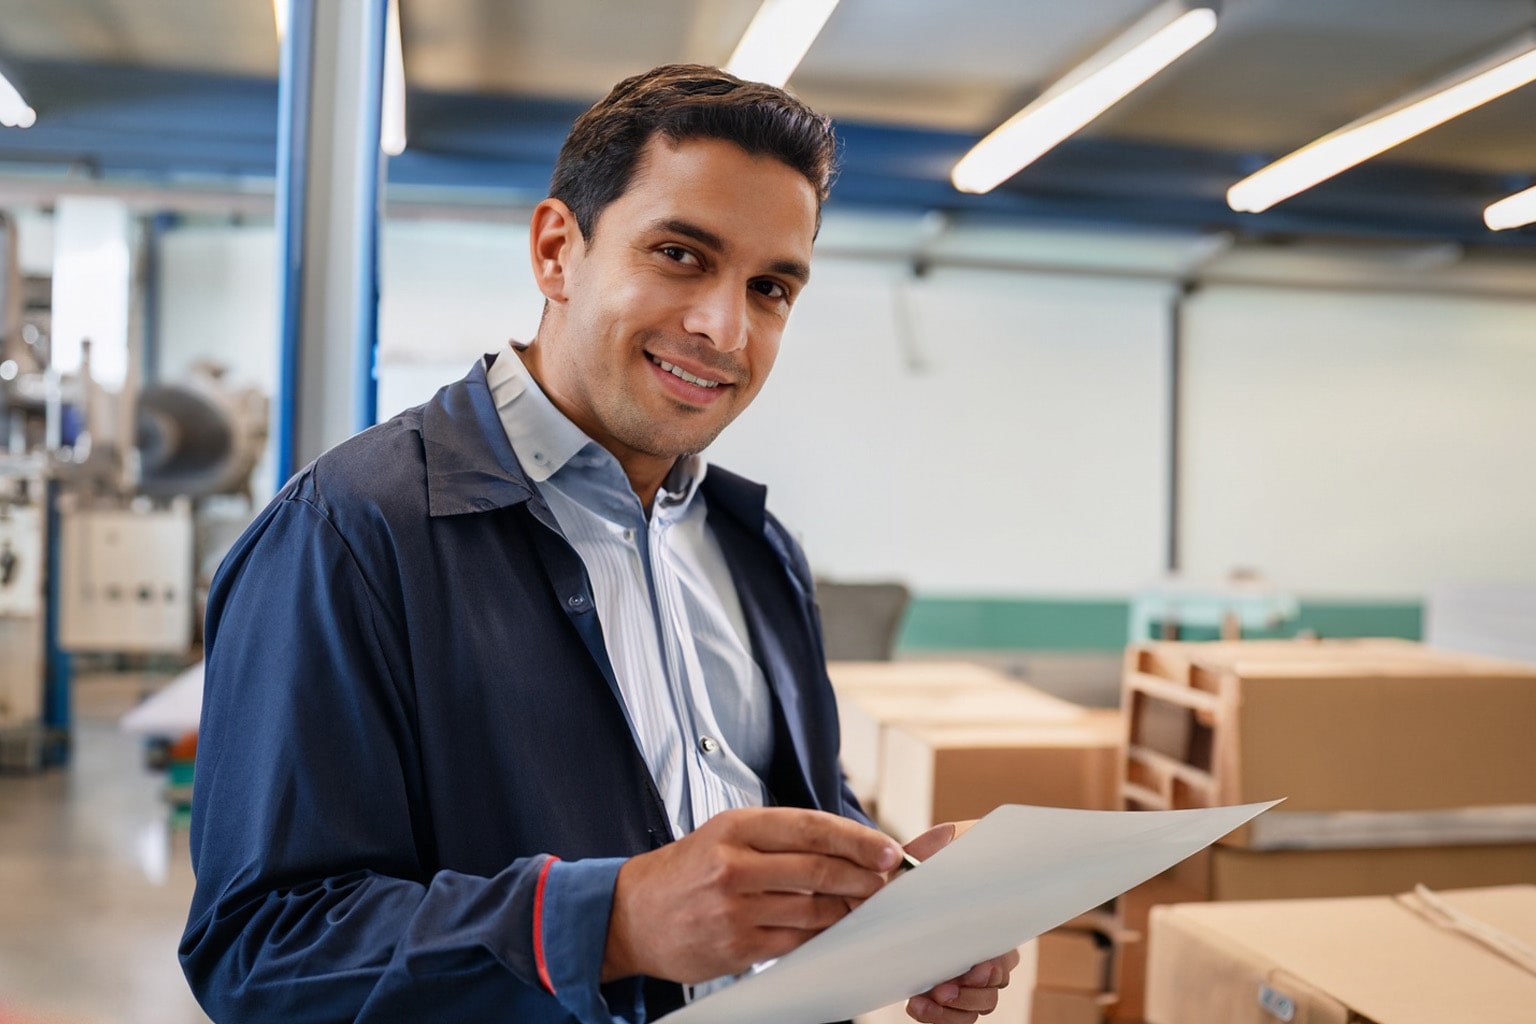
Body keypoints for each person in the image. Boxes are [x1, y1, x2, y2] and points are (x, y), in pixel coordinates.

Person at [180, 64, 1019, 1024]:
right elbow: (262, 950)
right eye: (679, 255)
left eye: (772, 287)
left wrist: (896, 890)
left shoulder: (755, 550)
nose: (724, 328)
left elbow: (790, 804)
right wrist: (609, 923)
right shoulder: (351, 537)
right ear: (556, 251)